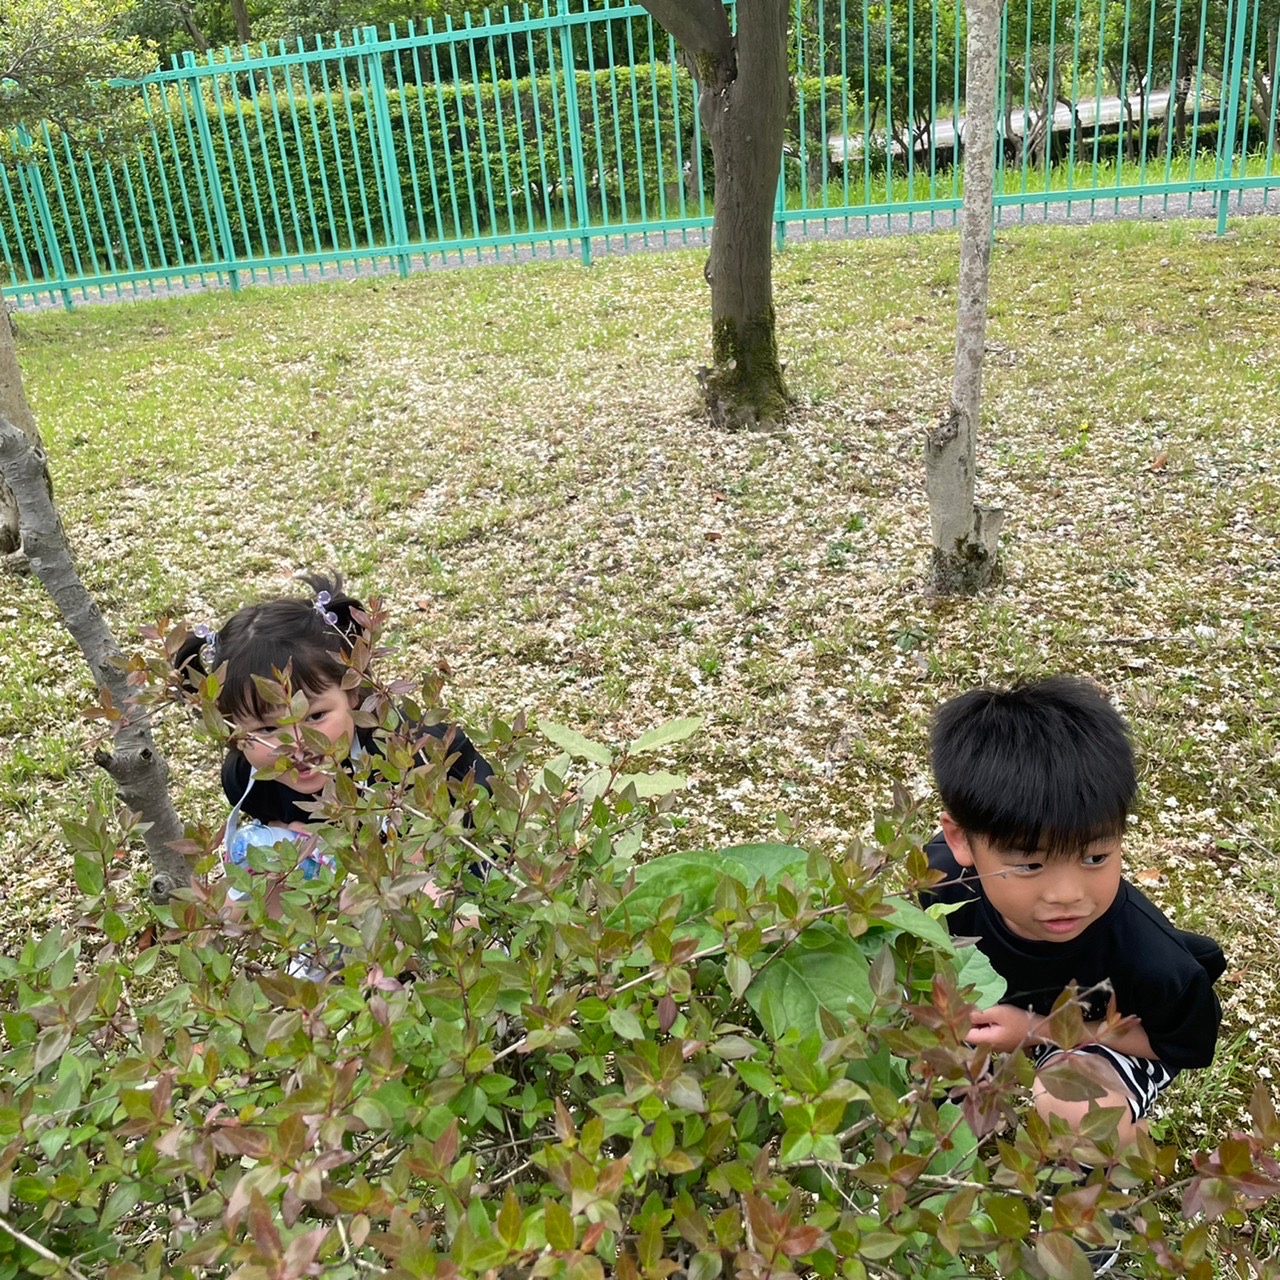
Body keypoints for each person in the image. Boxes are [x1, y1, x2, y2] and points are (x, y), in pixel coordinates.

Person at [924, 676, 1224, 1155]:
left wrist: (1035, 1031)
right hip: (1005, 1008)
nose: (1067, 895)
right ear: (961, 841)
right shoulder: (940, 883)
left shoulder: (1151, 961)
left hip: (1110, 1029)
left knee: (1069, 1107)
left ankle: (1133, 1144)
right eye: (1029, 864)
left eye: (1095, 858)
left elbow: (1178, 1046)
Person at [174, 573, 493, 904]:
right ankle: (306, 950)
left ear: (353, 693)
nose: (297, 744)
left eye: (315, 717)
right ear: (232, 729)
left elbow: (419, 863)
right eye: (267, 729)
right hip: (359, 857)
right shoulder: (245, 780)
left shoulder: (407, 754)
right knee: (259, 856)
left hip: (465, 854)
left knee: (416, 901)